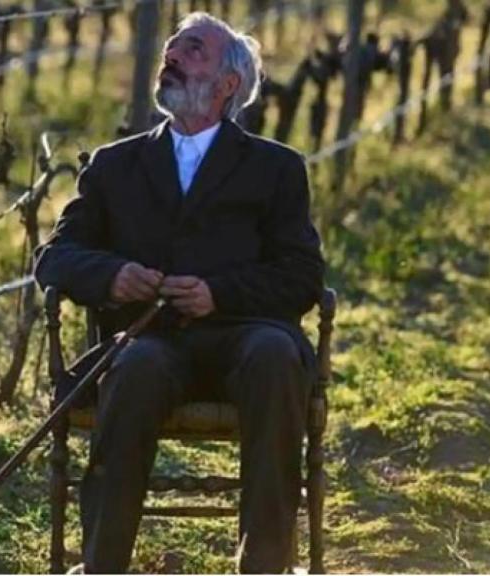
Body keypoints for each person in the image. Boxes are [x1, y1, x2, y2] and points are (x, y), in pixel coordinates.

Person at [34, 12, 325, 574]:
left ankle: (267, 566)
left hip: (247, 335)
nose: (171, 56)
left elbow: (302, 276)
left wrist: (219, 293)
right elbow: (56, 257)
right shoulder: (115, 165)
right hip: (151, 340)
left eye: (192, 50)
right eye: (170, 48)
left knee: (275, 357)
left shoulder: (277, 168)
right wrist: (112, 275)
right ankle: (102, 567)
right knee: (134, 366)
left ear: (228, 85)